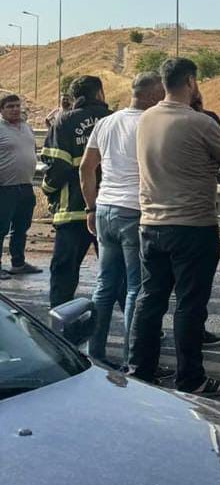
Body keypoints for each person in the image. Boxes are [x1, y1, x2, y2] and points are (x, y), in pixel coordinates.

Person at [128, 57, 220, 397]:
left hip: (150, 225)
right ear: (190, 81)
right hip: (192, 225)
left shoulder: (146, 118)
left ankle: (140, 369)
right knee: (190, 305)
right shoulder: (200, 123)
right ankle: (191, 378)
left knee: (151, 299)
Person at [79, 72, 164, 364]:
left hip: (105, 209)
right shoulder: (149, 123)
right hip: (135, 211)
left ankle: (95, 354)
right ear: (153, 95)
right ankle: (132, 358)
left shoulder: (106, 122)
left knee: (104, 285)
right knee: (134, 288)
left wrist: (90, 207)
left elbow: (86, 168)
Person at [42, 75, 110, 306]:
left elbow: (57, 166)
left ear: (74, 97)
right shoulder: (113, 119)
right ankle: (141, 329)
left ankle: (57, 328)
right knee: (118, 272)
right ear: (100, 93)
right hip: (111, 209)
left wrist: (48, 188)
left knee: (64, 272)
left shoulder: (64, 122)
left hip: (72, 210)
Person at [0, 94, 40, 279]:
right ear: (2, 110)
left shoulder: (26, 127)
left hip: (25, 186)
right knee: (1, 228)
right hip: (5, 188)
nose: (15, 109)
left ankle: (18, 263)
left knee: (21, 226)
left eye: (17, 106)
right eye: (10, 106)